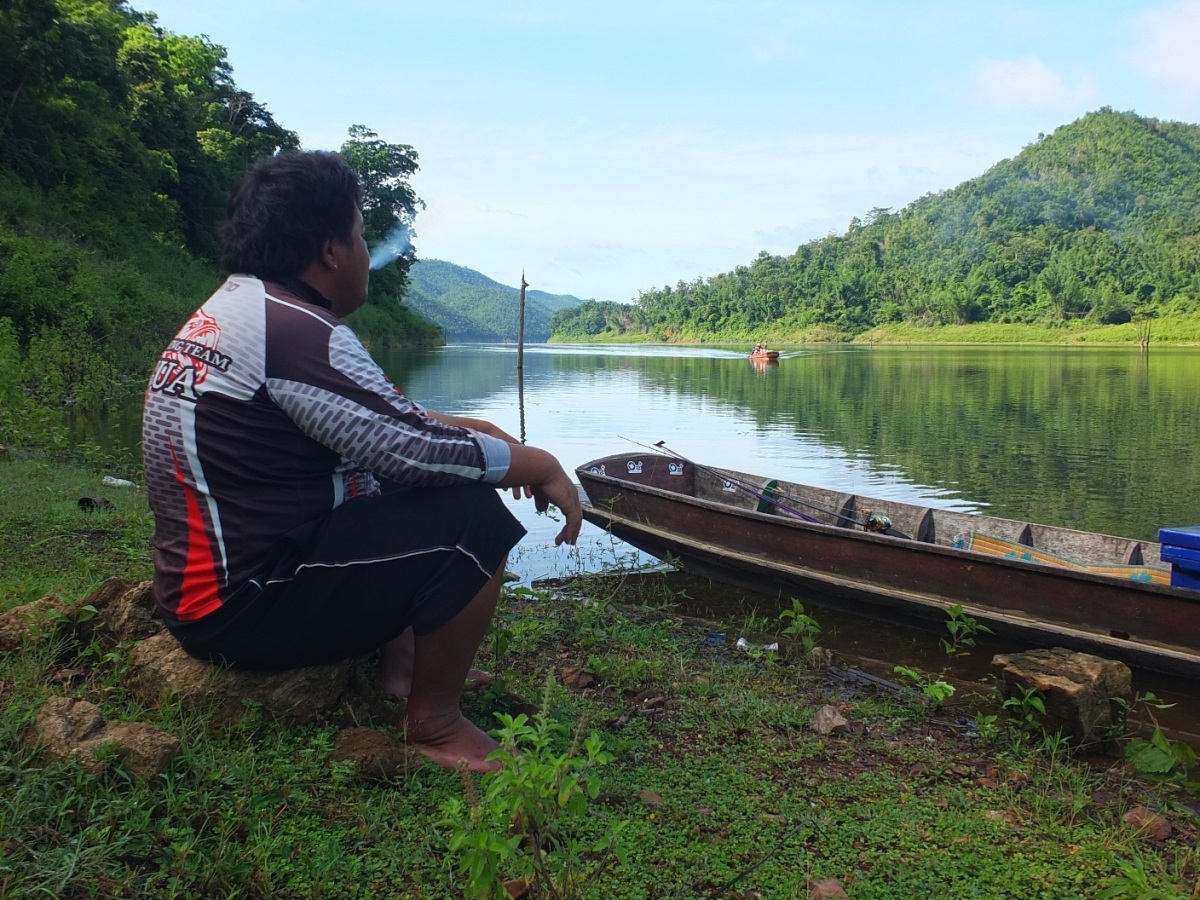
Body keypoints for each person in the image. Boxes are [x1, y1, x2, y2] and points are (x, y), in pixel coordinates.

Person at [142, 149, 582, 772]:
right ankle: (436, 723)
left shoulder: (243, 312)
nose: (363, 252)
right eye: (357, 235)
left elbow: (376, 425)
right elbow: (413, 451)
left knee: (404, 481)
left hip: (209, 592)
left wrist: (474, 431)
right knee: (470, 516)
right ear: (330, 251)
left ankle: (400, 670)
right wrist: (536, 463)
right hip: (239, 608)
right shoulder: (296, 331)